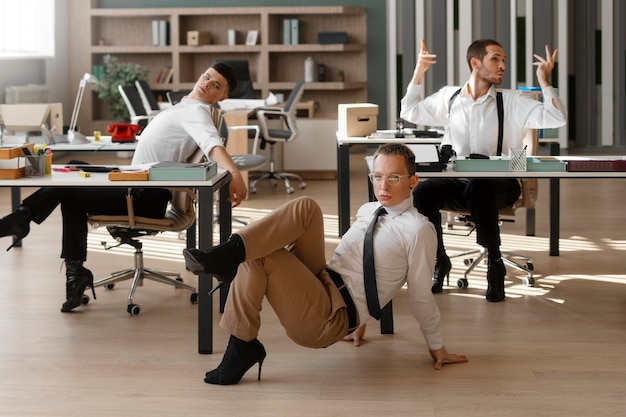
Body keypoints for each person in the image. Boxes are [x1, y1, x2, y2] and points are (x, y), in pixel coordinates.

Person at [183, 143, 467, 385]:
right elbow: (365, 264)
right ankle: (229, 255)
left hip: (331, 316)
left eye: (393, 177)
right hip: (323, 281)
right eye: (377, 176)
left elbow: (419, 294)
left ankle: (240, 339)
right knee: (306, 207)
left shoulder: (419, 230)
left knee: (260, 255)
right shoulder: (368, 210)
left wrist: (435, 345)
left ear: (412, 181)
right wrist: (366, 318)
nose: (383, 186)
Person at [0, 61, 247, 313]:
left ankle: (24, 217)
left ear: (223, 96)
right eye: (206, 77)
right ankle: (74, 274)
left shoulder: (197, 112)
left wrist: (235, 173)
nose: (206, 83)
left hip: (143, 196)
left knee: (71, 180)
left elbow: (212, 145)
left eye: (215, 84)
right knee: (73, 186)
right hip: (135, 185)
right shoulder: (184, 107)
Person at [400, 39, 567, 301]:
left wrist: (544, 80)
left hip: (502, 184)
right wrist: (419, 71)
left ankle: (495, 263)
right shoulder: (450, 98)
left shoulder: (513, 101)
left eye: (504, 60)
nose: (502, 66)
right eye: (495, 59)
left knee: (479, 186)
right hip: (459, 182)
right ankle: (439, 259)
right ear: (475, 63)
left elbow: (558, 118)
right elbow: (408, 109)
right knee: (423, 192)